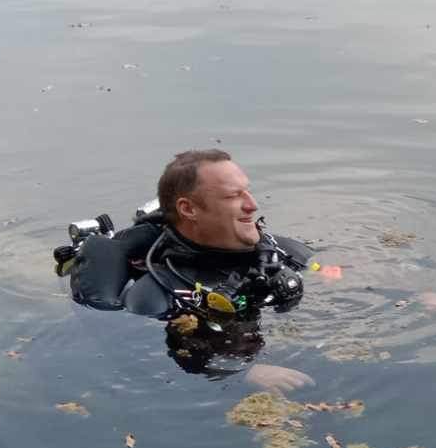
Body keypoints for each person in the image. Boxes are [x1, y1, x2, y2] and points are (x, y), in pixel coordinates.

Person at [56, 149, 320, 380]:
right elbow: (143, 362)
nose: (253, 205)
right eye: (232, 196)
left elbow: (329, 273)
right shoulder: (158, 293)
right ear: (189, 209)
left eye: (248, 191)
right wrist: (243, 373)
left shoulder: (280, 251)